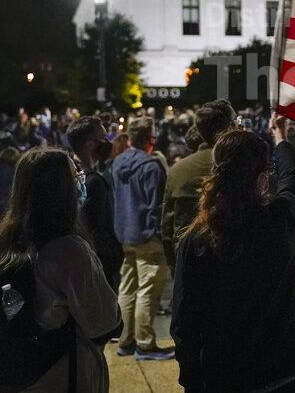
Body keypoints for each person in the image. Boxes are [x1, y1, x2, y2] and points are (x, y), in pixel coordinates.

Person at [170, 118, 295, 391]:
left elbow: (184, 322)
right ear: (261, 179)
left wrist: (192, 378)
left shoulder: (196, 240)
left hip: (227, 375)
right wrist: (281, 137)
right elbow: (294, 185)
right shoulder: (278, 221)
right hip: (288, 371)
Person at [0, 148, 121, 392]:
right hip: (62, 374)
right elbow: (105, 322)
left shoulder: (8, 240)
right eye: (75, 177)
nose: (80, 181)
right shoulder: (70, 250)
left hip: (21, 374)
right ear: (61, 190)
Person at [110, 117, 174, 361]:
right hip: (147, 235)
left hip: (124, 233)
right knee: (147, 289)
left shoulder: (118, 162)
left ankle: (126, 340)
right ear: (150, 137)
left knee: (127, 288)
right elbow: (156, 205)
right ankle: (145, 344)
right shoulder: (151, 166)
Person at [161, 100, 235, 266]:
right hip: (228, 262)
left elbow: (167, 226)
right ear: (229, 127)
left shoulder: (177, 170)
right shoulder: (238, 164)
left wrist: (175, 266)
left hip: (187, 262)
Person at [67, 117, 123, 290]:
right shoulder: (93, 181)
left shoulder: (66, 173)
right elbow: (95, 226)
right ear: (91, 145)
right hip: (98, 264)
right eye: (104, 138)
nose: (108, 142)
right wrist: (112, 255)